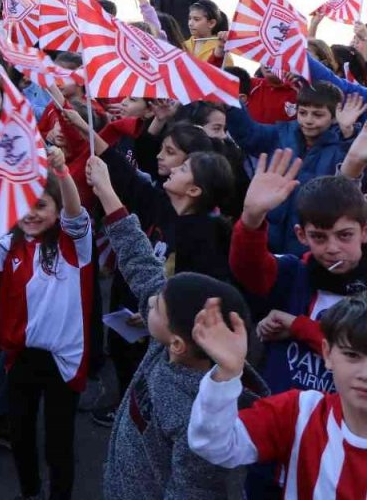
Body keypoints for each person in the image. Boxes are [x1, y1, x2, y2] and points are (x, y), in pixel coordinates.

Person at [85, 156, 267, 500]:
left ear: (178, 344)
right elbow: (141, 263)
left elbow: (191, 491)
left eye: (156, 307)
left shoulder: (198, 422)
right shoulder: (172, 340)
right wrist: (106, 190)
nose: (150, 300)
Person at [187, 294, 367, 499]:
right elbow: (213, 445)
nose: (365, 374)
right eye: (352, 355)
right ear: (327, 353)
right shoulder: (300, 410)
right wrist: (226, 373)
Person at [0, 147, 90, 500]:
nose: (30, 213)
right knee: (21, 433)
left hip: (63, 359)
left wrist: (63, 174)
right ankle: (29, 492)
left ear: (58, 210)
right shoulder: (9, 243)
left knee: (58, 443)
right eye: (24, 205)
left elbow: (76, 212)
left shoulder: (74, 243)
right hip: (19, 355)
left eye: (41, 205)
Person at [229, 147, 367, 397]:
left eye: (344, 235)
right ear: (301, 235)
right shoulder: (295, 273)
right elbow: (249, 269)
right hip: (278, 409)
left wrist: (297, 327)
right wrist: (251, 219)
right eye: (319, 237)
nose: (332, 248)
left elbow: (357, 346)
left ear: (364, 232)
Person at [225, 82, 361, 254]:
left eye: (318, 115)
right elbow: (249, 134)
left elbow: (355, 166)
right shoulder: (282, 133)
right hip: (271, 235)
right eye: (302, 113)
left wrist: (348, 133)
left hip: (313, 240)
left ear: (334, 117)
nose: (308, 120)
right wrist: (232, 105)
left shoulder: (343, 144)